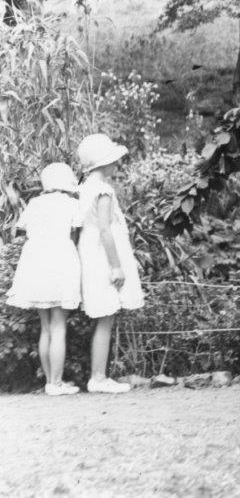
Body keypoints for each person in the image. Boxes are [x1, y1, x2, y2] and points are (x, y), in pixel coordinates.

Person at [5, 163, 83, 395]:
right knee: (59, 325)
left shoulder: (35, 203)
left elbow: (24, 228)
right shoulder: (71, 204)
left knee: (46, 327)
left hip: (36, 262)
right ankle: (56, 384)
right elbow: (77, 230)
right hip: (60, 261)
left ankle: (51, 381)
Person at [77, 133, 144, 393]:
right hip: (103, 255)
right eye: (112, 160)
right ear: (102, 163)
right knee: (106, 316)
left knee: (105, 315)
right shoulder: (103, 190)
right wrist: (116, 266)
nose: (115, 164)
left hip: (90, 251)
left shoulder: (84, 187)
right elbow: (105, 230)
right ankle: (98, 377)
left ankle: (99, 376)